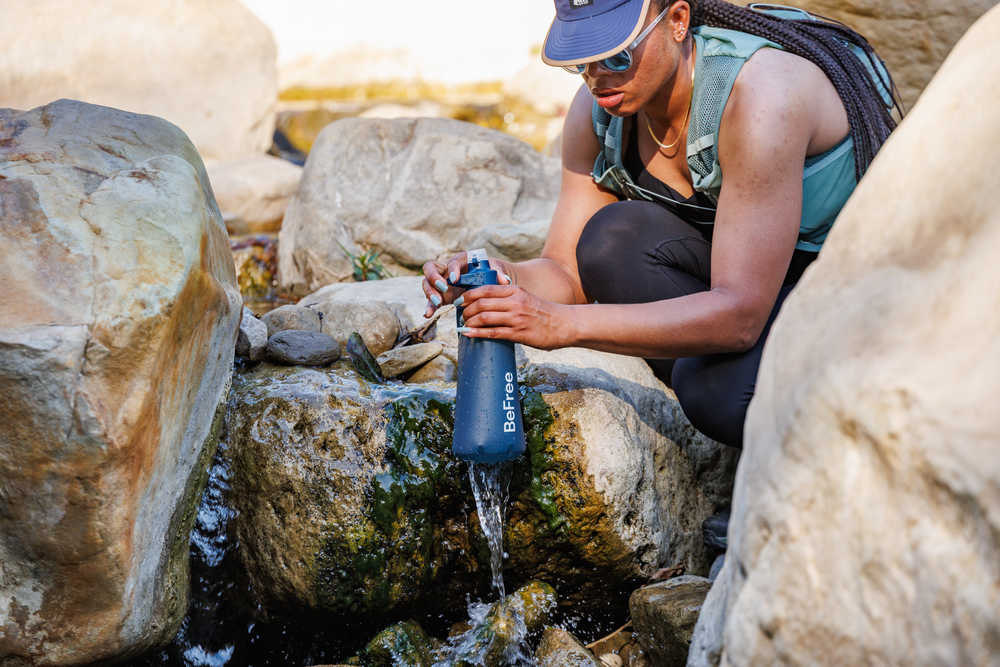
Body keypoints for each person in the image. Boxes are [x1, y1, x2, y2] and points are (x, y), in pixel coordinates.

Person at [421, 0, 901, 447]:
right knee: (612, 240)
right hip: (747, 288)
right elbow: (566, 275)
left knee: (717, 392)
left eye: (617, 57)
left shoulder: (759, 96)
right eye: (581, 61)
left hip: (849, 297)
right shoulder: (598, 113)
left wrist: (562, 325)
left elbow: (739, 318)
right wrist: (498, 279)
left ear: (677, 21)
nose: (596, 78)